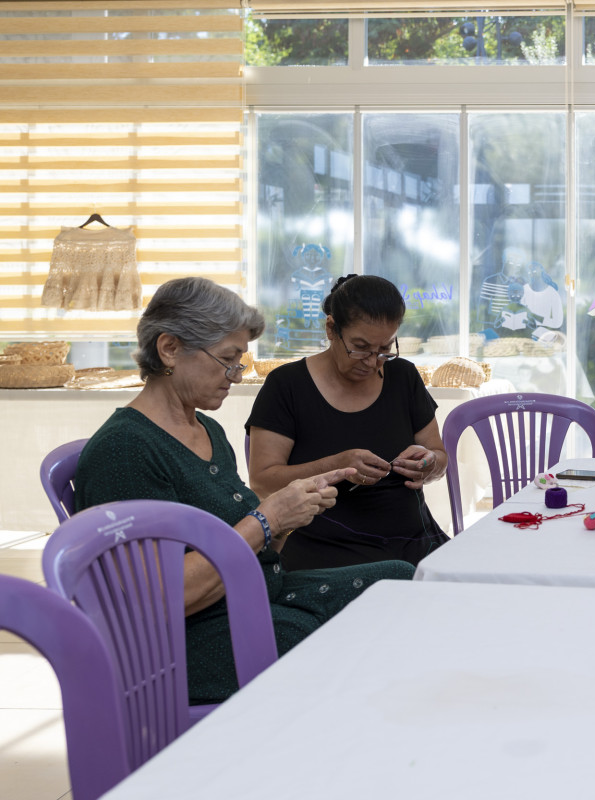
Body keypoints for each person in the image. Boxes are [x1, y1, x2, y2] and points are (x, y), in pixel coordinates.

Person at [74, 277, 412, 706]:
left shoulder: (207, 429)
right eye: (228, 360)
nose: (235, 375)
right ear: (170, 349)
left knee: (399, 579)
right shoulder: (125, 450)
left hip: (252, 598)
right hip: (184, 645)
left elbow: (249, 543)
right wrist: (267, 519)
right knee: (345, 648)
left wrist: (289, 518)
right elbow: (159, 599)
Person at [247, 274, 450, 571]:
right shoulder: (287, 386)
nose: (372, 361)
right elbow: (263, 481)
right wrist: (338, 465)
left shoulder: (403, 377)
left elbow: (439, 458)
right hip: (326, 552)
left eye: (384, 350)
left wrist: (428, 463)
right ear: (331, 328)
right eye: (360, 347)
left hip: (415, 542)